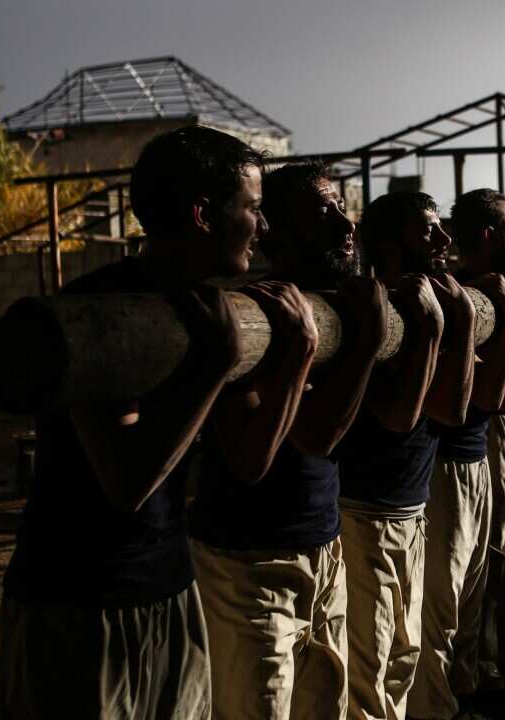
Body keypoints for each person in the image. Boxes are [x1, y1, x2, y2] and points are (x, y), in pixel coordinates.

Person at [0, 125, 267, 718]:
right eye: (252, 207)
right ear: (202, 214)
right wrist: (214, 367)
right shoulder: (104, 316)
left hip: (168, 585)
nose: (262, 225)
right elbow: (127, 483)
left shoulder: (215, 311)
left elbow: (250, 460)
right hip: (78, 602)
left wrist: (290, 359)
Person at [188, 160, 388, 720]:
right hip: (249, 563)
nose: (345, 226)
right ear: (273, 227)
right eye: (323, 212)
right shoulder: (250, 311)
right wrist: (363, 344)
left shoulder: (325, 305)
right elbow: (291, 444)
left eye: (341, 209)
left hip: (323, 545)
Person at [332, 190, 471, 720]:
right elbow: (400, 417)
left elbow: (454, 411)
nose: (443, 240)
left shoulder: (421, 305)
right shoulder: (378, 312)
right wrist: (437, 331)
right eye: (428, 231)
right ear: (390, 246)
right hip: (368, 509)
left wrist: (451, 321)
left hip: (411, 503)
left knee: (403, 652)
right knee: (371, 669)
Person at [408, 189, 505, 720]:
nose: (443, 240)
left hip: (471, 457)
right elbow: (465, 405)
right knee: (442, 601)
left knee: (473, 585)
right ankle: (441, 705)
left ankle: (467, 688)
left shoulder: (462, 293)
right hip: (442, 462)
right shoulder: (424, 297)